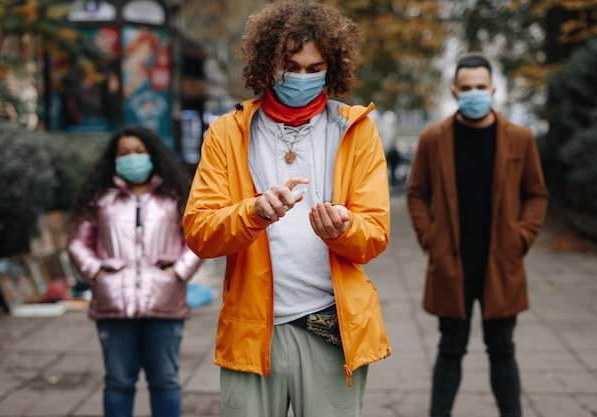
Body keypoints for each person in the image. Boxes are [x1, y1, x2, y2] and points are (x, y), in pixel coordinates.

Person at [182, 2, 391, 416]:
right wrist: (254, 213)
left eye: (316, 68)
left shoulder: (356, 129)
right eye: (291, 65)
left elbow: (375, 236)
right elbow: (200, 233)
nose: (303, 77)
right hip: (252, 329)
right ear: (266, 64)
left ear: (332, 67)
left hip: (332, 328)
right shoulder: (228, 132)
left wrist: (344, 229)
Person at [406, 53, 548, 417]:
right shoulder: (434, 139)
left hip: (502, 262)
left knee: (503, 348)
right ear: (454, 91)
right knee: (450, 348)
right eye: (466, 88)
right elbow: (417, 193)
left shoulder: (519, 138)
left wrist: (522, 237)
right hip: (451, 263)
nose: (473, 94)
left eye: (480, 87)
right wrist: (430, 239)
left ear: (493, 90)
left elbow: (536, 194)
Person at [67, 125, 204, 417]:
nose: (132, 158)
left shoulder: (175, 196)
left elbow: (197, 239)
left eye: (139, 152)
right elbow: (78, 243)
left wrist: (178, 272)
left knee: (165, 381)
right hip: (112, 303)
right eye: (124, 153)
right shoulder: (100, 198)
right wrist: (98, 275)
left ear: (153, 154)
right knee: (118, 382)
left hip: (165, 302)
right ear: (113, 159)